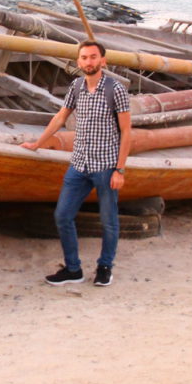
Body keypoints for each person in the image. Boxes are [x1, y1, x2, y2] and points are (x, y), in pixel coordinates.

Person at [21, 40, 132, 287]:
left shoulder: (116, 89)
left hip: (105, 166)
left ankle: (105, 267)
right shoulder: (77, 86)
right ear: (78, 61)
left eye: (93, 57)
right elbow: (61, 116)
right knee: (62, 215)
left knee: (108, 220)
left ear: (103, 60)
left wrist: (120, 169)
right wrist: (38, 143)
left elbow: (126, 131)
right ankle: (73, 269)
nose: (88, 62)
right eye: (84, 57)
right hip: (79, 164)